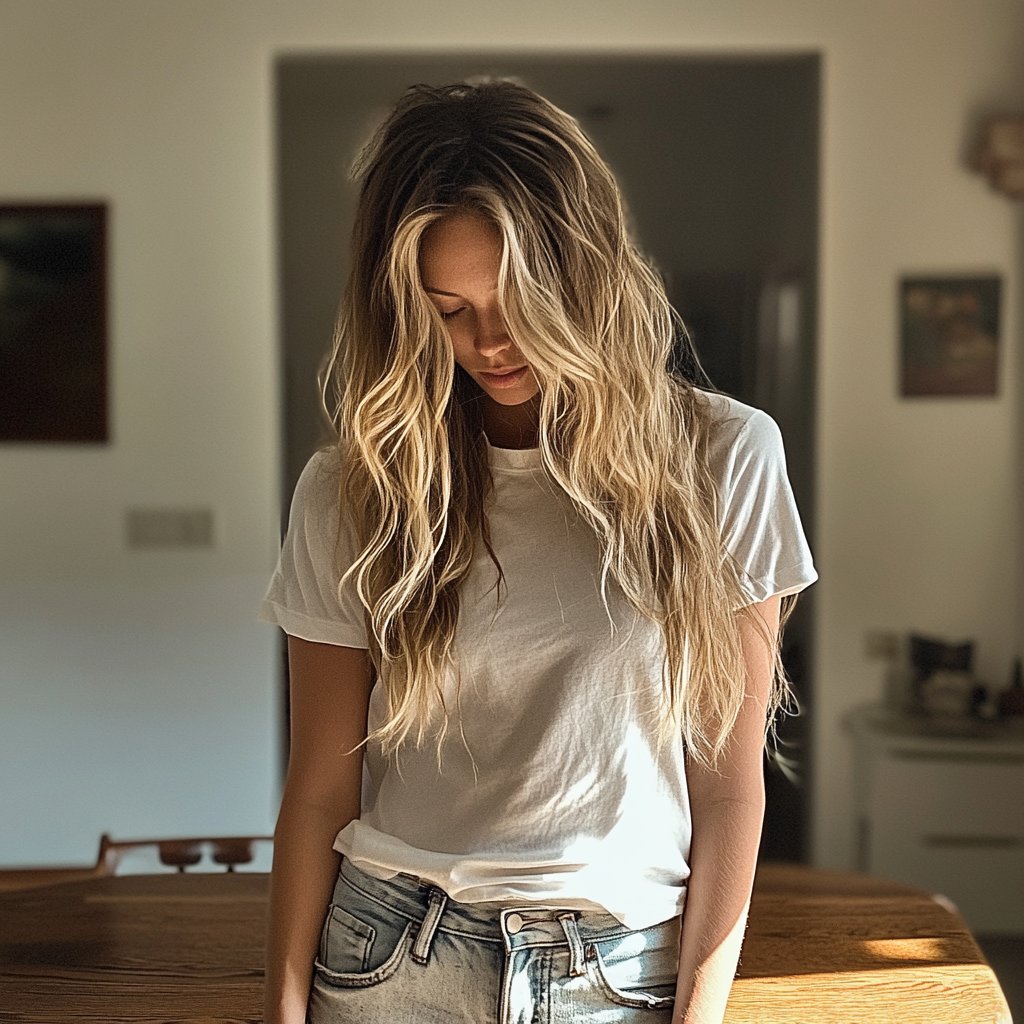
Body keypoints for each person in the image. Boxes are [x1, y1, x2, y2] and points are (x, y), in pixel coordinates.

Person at [260, 77, 817, 1024]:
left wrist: (701, 1011)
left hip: (621, 968)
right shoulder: (355, 491)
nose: (490, 341)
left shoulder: (725, 460)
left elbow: (727, 787)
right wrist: (281, 1009)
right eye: (447, 309)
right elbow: (319, 788)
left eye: (519, 296)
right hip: (391, 956)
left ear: (585, 272)